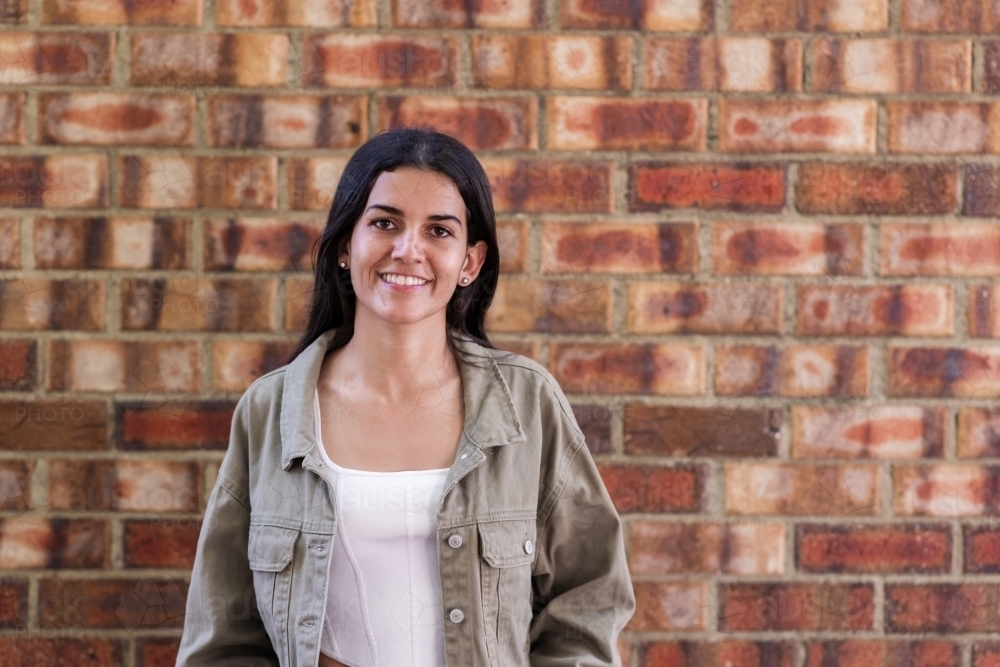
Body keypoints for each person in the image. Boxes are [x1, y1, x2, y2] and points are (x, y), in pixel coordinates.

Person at [175, 127, 635, 667]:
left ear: (470, 262)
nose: (407, 250)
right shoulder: (271, 412)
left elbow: (588, 601)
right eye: (385, 223)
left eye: (439, 230)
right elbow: (223, 638)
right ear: (345, 245)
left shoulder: (527, 404)